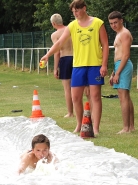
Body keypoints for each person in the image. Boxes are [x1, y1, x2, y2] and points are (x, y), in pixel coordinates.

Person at [40, 0, 109, 135]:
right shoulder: (71, 26)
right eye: (73, 11)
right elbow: (59, 43)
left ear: (84, 8)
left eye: (77, 10)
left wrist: (104, 64)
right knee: (76, 97)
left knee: (95, 96)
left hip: (95, 64)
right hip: (78, 65)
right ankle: (79, 124)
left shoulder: (98, 23)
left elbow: (105, 45)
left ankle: (95, 127)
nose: (75, 13)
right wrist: (47, 55)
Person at [108, 11, 135, 134]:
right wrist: (114, 72)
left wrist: (118, 72)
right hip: (119, 66)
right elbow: (117, 55)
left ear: (121, 21)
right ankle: (131, 127)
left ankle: (126, 128)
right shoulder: (118, 33)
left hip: (124, 65)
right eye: (111, 23)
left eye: (115, 22)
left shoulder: (124, 34)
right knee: (125, 97)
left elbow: (125, 55)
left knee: (123, 97)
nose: (113, 25)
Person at [50, 14, 74, 118]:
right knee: (82, 87)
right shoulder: (71, 29)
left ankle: (70, 112)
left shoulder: (55, 35)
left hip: (65, 58)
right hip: (77, 58)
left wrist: (55, 68)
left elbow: (57, 52)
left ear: (53, 24)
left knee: (67, 88)